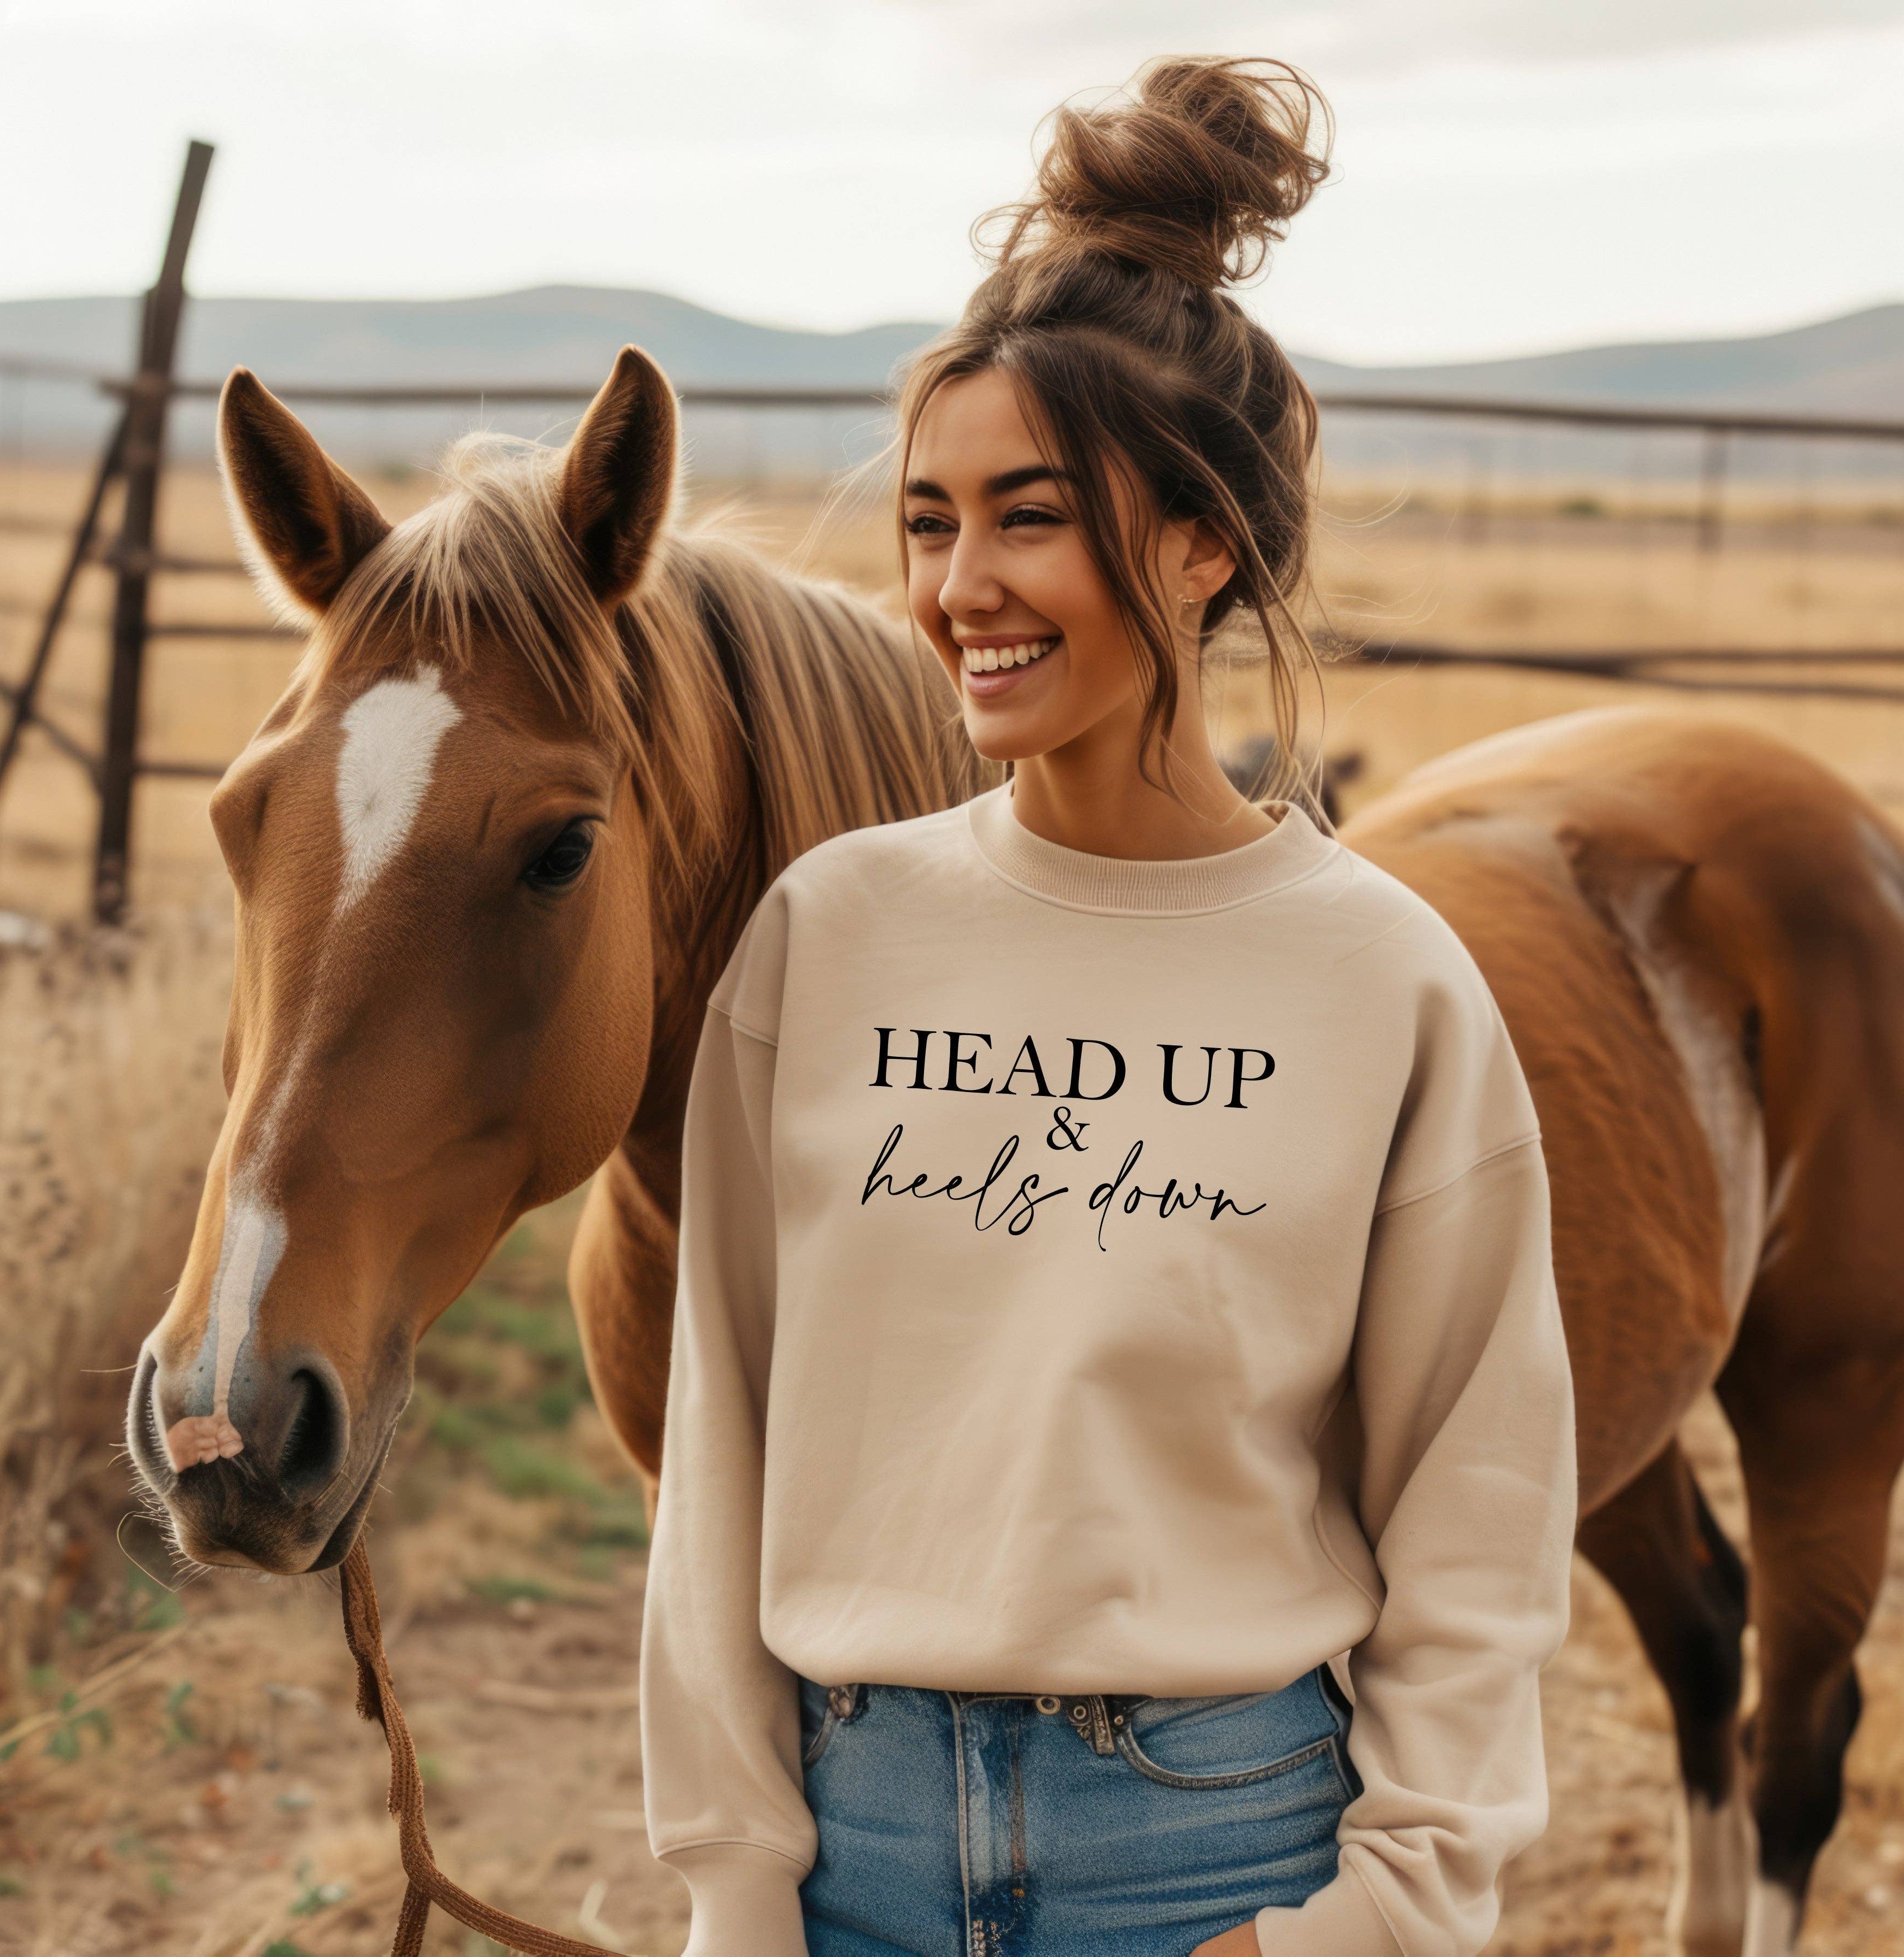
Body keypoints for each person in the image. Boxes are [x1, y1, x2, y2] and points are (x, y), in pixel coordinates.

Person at [640, 53, 1578, 1957]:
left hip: (1219, 1856)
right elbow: (718, 1449)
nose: (960, 584)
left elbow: (1477, 1509)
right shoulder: (829, 937)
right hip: (853, 1852)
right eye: (927, 521)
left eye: (1030, 516)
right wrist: (738, 1890)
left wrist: (1367, 1928)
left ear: (1203, 540)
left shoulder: (1380, 976)